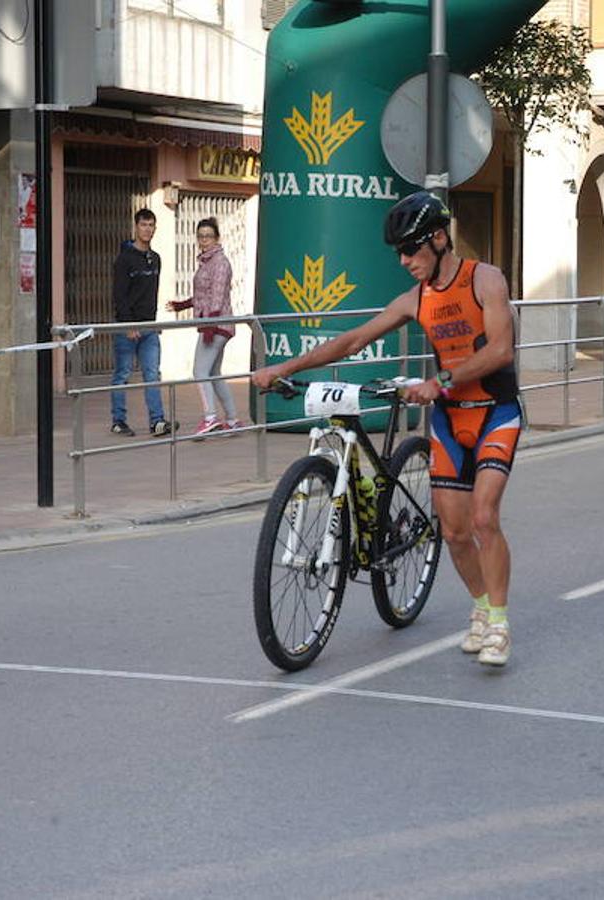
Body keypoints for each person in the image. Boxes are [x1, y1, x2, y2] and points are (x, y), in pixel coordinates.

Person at [252, 191, 521, 667]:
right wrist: (281, 368)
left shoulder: (485, 279)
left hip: (494, 412)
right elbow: (353, 339)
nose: (403, 260)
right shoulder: (415, 299)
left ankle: (499, 623)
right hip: (448, 418)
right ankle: (480, 608)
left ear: (439, 239)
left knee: (483, 518)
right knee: (455, 533)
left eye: (411, 248)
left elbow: (501, 350)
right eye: (398, 251)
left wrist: (439, 380)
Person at [168, 217, 243, 435]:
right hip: (215, 323)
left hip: (216, 324)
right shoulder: (207, 262)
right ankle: (232, 420)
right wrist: (183, 304)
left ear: (217, 238)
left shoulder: (220, 262)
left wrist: (210, 325)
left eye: (208, 236)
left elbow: (218, 297)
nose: (204, 240)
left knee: (200, 371)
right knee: (214, 372)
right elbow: (205, 294)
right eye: (200, 236)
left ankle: (210, 417)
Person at [111, 208, 176, 437]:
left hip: (149, 328)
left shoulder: (155, 258)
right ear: (136, 227)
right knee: (122, 374)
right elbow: (119, 295)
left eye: (151, 225)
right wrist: (128, 325)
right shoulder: (124, 259)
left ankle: (157, 421)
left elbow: (151, 294)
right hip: (126, 327)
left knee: (152, 373)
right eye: (143, 225)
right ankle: (118, 420)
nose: (147, 229)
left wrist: (153, 323)